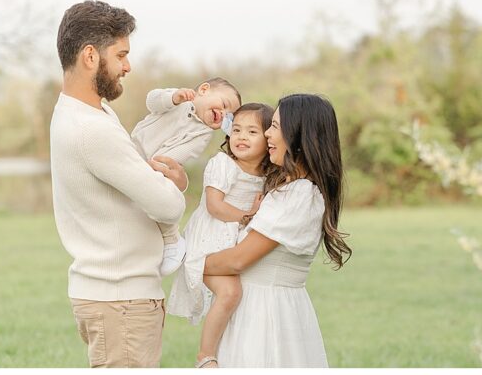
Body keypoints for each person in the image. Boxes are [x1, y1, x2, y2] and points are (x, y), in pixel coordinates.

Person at [50, 0, 188, 367]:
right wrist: (175, 183)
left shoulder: (87, 112)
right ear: (90, 56)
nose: (128, 66)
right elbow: (167, 205)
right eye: (121, 55)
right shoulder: (90, 129)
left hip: (115, 296)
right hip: (119, 300)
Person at [201, 94, 351, 368]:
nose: (268, 133)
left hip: (265, 317)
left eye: (276, 126)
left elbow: (237, 260)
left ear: (299, 136)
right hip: (261, 310)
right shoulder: (288, 189)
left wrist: (192, 260)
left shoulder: (299, 195)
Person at [166, 103, 277, 368]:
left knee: (245, 295)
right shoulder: (223, 164)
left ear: (268, 139)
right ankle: (205, 356)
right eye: (236, 129)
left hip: (234, 240)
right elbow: (214, 206)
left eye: (252, 131)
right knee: (230, 293)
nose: (241, 136)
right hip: (209, 239)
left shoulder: (267, 174)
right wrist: (247, 216)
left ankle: (237, 351)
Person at [130, 79, 243, 274]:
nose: (224, 114)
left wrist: (160, 167)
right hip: (135, 148)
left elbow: (184, 153)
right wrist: (173, 98)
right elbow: (152, 101)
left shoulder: (204, 133)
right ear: (204, 90)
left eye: (229, 116)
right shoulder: (180, 100)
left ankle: (171, 240)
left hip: (156, 165)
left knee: (165, 197)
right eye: (224, 105)